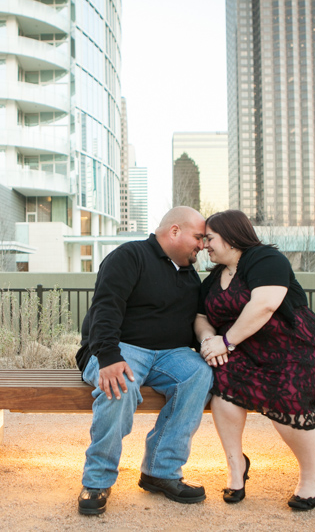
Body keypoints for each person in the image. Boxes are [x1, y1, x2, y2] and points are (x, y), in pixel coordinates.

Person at [75, 206, 214, 516]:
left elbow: (192, 326)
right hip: (118, 347)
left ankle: (160, 472)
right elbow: (105, 308)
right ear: (174, 231)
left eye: (206, 240)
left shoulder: (191, 277)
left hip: (170, 355)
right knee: (118, 384)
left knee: (198, 375)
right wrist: (109, 357)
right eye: (199, 237)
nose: (202, 246)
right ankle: (97, 480)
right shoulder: (130, 256)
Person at [195, 210, 315, 510]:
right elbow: (201, 317)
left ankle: (312, 475)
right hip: (248, 354)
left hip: (299, 350)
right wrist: (209, 339)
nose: (205, 245)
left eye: (210, 238)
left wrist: (225, 341)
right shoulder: (212, 279)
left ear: (232, 237)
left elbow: (264, 305)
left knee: (286, 392)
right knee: (223, 385)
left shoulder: (265, 260)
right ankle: (236, 468)